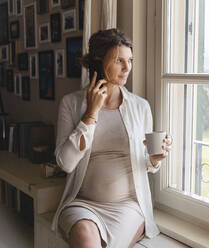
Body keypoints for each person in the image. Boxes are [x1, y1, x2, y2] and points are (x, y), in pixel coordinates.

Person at [51, 28, 171, 248]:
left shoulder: (140, 107)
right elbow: (65, 163)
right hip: (82, 205)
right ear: (97, 62)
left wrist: (155, 159)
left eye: (130, 60)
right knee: (86, 238)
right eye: (119, 60)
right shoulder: (71, 103)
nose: (127, 68)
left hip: (128, 206)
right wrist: (90, 115)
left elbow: (147, 165)